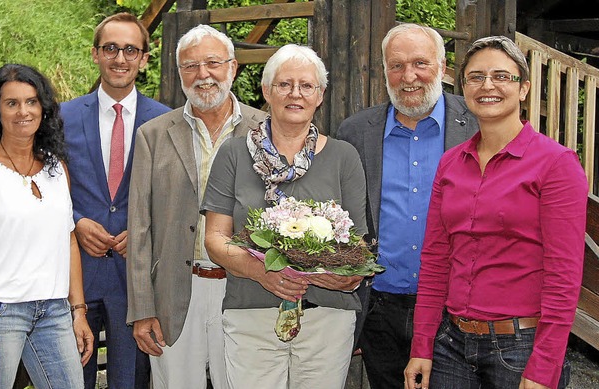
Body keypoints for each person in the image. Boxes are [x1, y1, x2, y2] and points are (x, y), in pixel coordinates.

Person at [404, 36, 588, 389]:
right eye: (476, 77)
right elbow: (436, 259)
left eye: (502, 76)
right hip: (452, 346)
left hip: (521, 348)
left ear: (523, 89)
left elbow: (564, 276)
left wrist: (544, 367)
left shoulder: (556, 164)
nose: (487, 85)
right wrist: (422, 346)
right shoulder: (451, 163)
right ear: (464, 88)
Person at [202, 43, 367, 389]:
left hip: (327, 318)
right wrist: (263, 272)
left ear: (320, 95)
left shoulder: (344, 157)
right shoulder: (232, 154)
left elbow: (359, 247)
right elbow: (215, 238)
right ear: (266, 91)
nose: (296, 94)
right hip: (251, 311)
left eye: (307, 86)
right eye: (284, 84)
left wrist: (335, 277)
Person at [336, 23, 479, 389]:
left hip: (458, 308)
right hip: (379, 308)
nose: (408, 76)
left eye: (420, 63)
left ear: (443, 67)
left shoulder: (479, 125)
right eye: (396, 66)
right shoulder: (355, 132)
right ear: (384, 72)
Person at [126, 24, 265, 389]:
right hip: (174, 291)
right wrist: (142, 310)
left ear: (233, 68)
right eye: (190, 66)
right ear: (179, 73)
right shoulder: (153, 135)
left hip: (245, 289)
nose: (203, 75)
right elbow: (139, 226)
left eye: (213, 63)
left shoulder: (265, 130)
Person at [0, 63, 94, 388]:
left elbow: (68, 241)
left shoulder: (56, 168)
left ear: (43, 108)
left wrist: (78, 311)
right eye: (12, 103)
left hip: (54, 312)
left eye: (31, 102)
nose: (23, 111)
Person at [61, 12, 171, 389]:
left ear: (144, 57)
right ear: (95, 54)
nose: (120, 58)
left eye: (129, 50)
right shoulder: (61, 117)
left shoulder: (167, 122)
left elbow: (176, 198)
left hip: (136, 281)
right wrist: (74, 220)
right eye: (110, 48)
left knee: (132, 381)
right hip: (76, 277)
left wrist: (144, 229)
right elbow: (43, 187)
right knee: (74, 379)